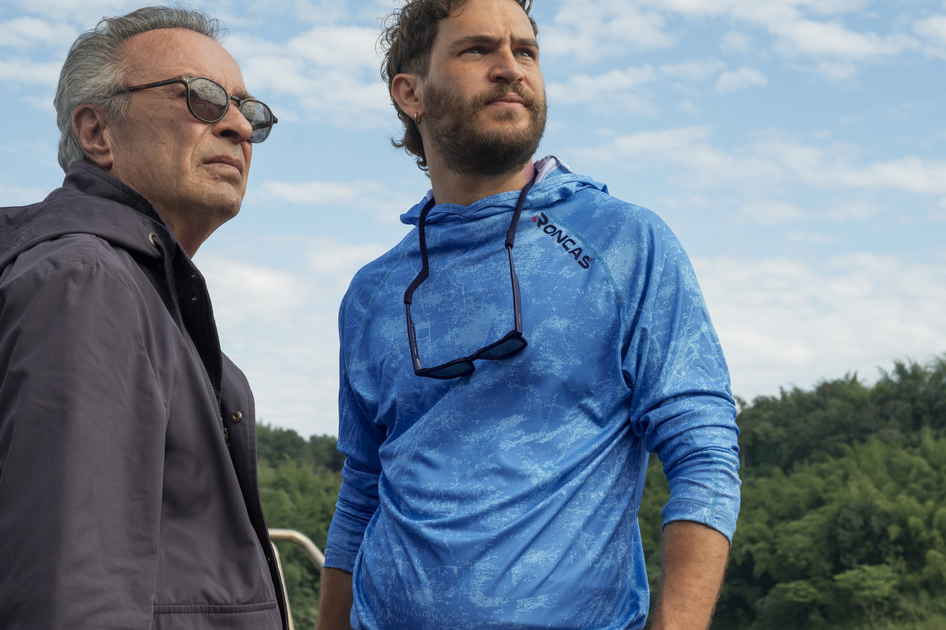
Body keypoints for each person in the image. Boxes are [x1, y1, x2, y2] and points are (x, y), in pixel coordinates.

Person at [316, 0, 741, 628]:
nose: (510, 68)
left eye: (526, 51)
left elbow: (703, 451)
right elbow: (361, 490)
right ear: (411, 93)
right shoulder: (374, 291)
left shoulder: (623, 240)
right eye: (477, 49)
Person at [0, 6, 286, 629]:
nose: (238, 127)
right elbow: (71, 595)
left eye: (250, 111)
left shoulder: (137, 298)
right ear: (97, 133)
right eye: (201, 97)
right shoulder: (85, 283)